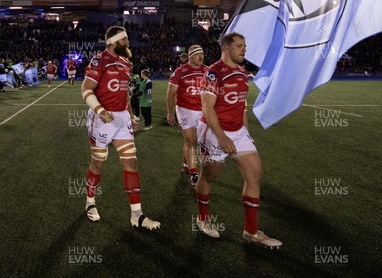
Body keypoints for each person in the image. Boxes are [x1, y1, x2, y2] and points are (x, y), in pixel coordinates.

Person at [195, 32, 281, 248]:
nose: (244, 49)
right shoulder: (214, 73)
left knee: (254, 174)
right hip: (214, 132)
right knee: (209, 176)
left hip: (238, 132)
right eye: (239, 46)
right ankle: (202, 219)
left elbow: (241, 105)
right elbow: (207, 107)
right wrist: (222, 137)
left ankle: (250, 231)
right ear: (226, 48)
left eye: (245, 45)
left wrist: (246, 132)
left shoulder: (242, 72)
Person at [81, 25, 160, 230]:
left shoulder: (126, 63)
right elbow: (86, 89)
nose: (128, 43)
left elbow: (124, 92)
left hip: (121, 119)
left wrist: (131, 115)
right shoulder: (99, 60)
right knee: (98, 164)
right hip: (101, 119)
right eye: (124, 40)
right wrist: (100, 110)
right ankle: (90, 202)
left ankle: (137, 215)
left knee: (131, 164)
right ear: (113, 42)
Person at [166, 45, 207, 187]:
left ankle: (186, 163)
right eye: (197, 54)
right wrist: (170, 112)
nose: (201, 57)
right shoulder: (180, 72)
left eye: (202, 54)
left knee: (199, 141)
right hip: (185, 109)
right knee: (191, 140)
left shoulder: (207, 71)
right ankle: (194, 174)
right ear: (190, 57)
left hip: (202, 110)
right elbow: (171, 93)